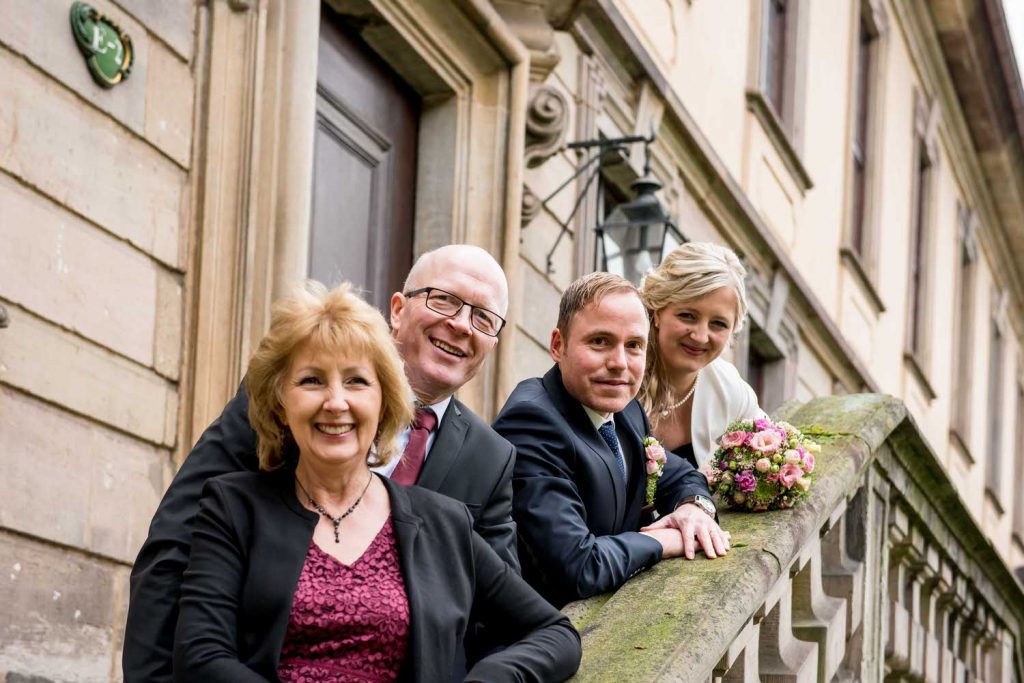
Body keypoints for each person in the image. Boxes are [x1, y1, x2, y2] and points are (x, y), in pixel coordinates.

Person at [125, 245, 518, 682]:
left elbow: (500, 619)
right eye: (444, 299)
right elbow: (174, 545)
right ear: (398, 309)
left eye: (483, 318)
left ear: (493, 343)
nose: (461, 325)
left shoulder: (492, 459)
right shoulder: (291, 402)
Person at [492, 272, 729, 609]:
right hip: (540, 634)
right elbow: (580, 566)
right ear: (558, 345)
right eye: (600, 341)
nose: (619, 364)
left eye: (633, 346)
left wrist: (695, 508)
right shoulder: (532, 423)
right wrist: (666, 540)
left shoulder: (626, 410)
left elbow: (681, 475)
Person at [638, 242, 765, 471]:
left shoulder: (729, 390)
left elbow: (771, 449)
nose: (700, 336)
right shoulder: (622, 365)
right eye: (687, 316)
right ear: (658, 312)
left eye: (718, 324)